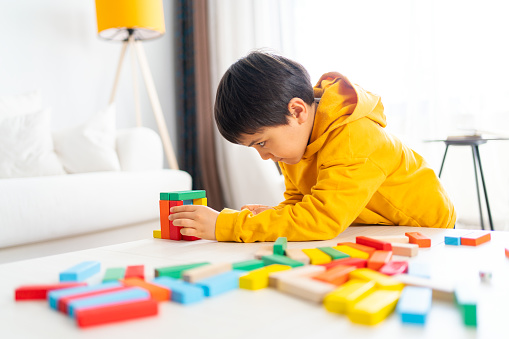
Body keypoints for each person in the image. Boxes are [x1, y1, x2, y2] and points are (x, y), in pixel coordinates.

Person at [169, 51, 456, 242]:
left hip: (427, 230)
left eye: (262, 142)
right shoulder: (295, 146)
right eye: (254, 147)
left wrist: (228, 226)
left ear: (297, 111)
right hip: (373, 227)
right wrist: (272, 215)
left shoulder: (355, 138)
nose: (265, 156)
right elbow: (300, 202)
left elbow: (321, 219)